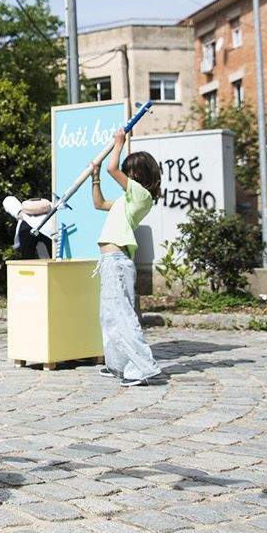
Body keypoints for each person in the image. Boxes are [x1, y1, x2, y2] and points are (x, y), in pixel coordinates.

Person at [91, 128, 163, 385]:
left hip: (117, 261)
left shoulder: (142, 196)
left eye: (130, 171)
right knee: (109, 316)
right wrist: (95, 177)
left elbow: (113, 169)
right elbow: (98, 204)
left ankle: (143, 367)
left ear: (139, 175)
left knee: (122, 315)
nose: (126, 175)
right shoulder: (126, 200)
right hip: (109, 262)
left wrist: (118, 143)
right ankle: (118, 365)